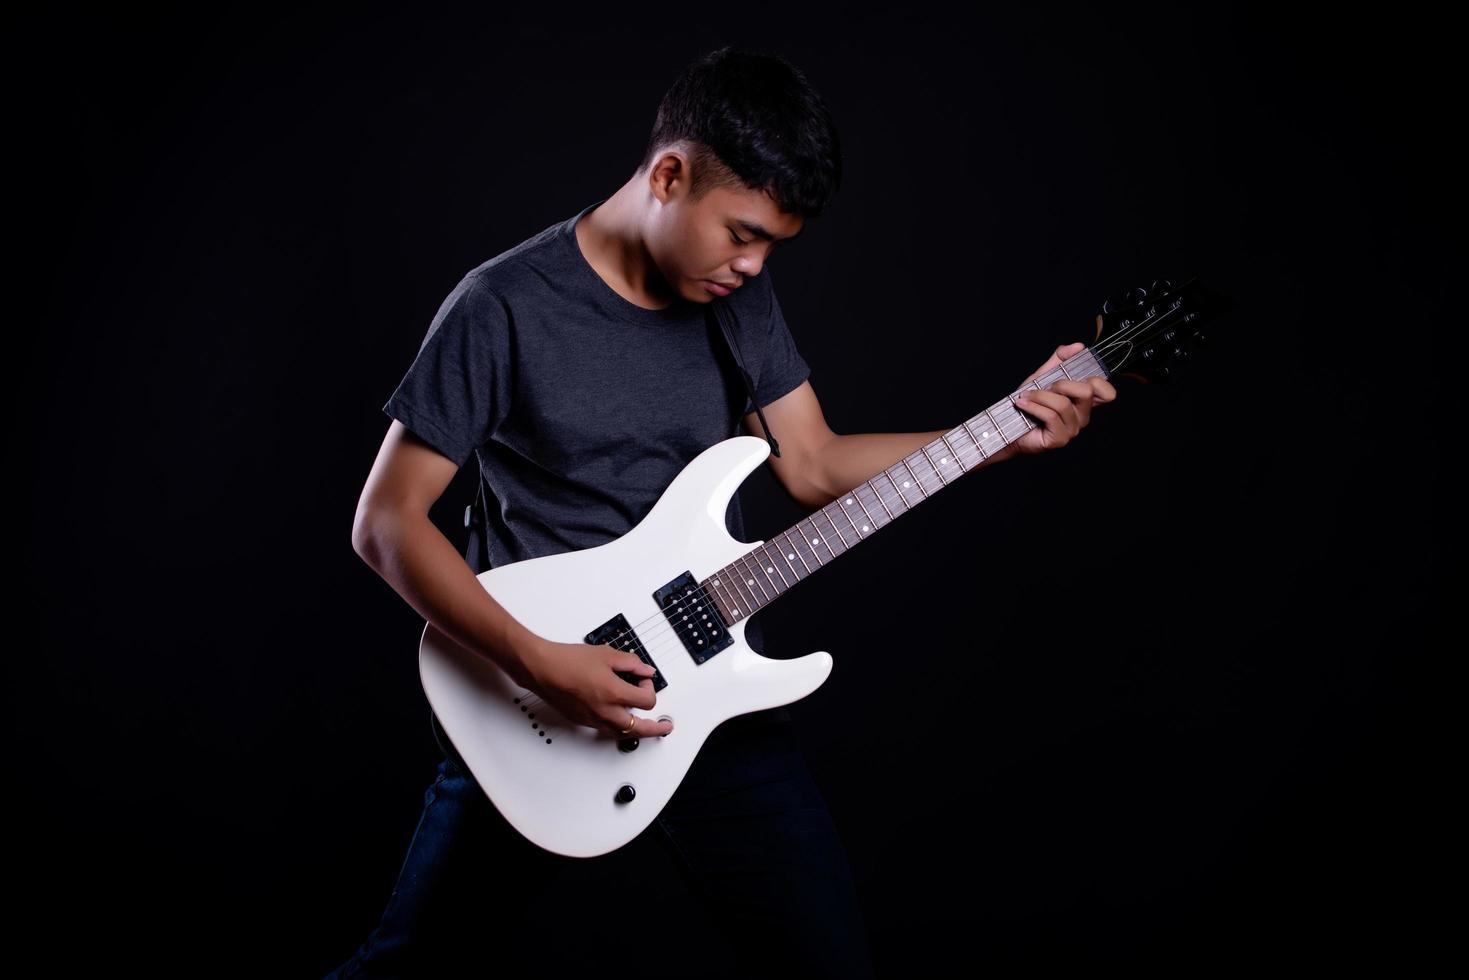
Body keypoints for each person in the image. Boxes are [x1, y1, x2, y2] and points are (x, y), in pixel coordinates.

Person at [327, 44, 1114, 979]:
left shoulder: (736, 298)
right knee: (405, 971)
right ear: (669, 173)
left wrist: (999, 433)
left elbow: (814, 466)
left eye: (773, 245)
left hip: (707, 699)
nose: (752, 263)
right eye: (741, 232)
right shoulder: (503, 305)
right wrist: (543, 662)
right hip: (533, 699)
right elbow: (386, 523)